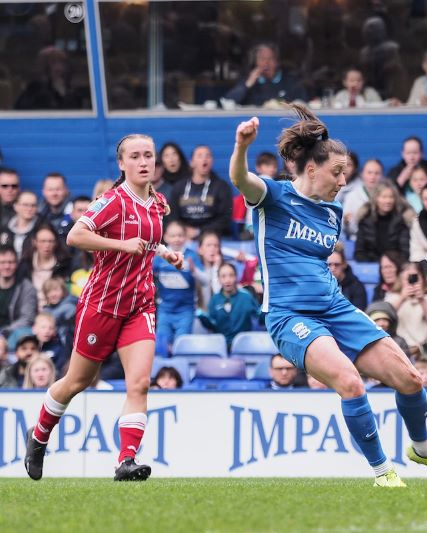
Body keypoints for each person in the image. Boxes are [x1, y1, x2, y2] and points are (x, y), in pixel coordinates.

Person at [228, 106, 427, 486]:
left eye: (345, 171)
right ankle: (383, 472)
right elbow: (240, 179)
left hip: (336, 308)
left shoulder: (333, 212)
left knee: (410, 379)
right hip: (290, 317)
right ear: (311, 169)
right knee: (350, 381)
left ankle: (423, 450)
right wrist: (241, 146)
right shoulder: (274, 197)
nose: (344, 180)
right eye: (337, 171)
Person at [24, 133, 184, 483]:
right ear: (122, 163)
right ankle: (38, 436)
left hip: (140, 304)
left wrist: (165, 252)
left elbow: (147, 240)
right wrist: (122, 245)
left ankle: (126, 461)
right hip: (102, 305)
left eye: (149, 156)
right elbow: (75, 236)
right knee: (77, 381)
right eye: (136, 156)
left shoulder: (158, 202)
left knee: (140, 384)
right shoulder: (111, 200)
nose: (144, 162)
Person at [152, 221, 200, 355]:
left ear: (185, 237)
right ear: (165, 237)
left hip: (186, 311)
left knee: (181, 347)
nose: (177, 239)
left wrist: (194, 270)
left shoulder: (192, 255)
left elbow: (205, 281)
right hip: (165, 310)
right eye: (173, 236)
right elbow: (148, 274)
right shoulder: (159, 257)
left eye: (180, 235)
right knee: (162, 346)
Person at [385, 262, 427, 357]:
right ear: (401, 279)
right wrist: (402, 298)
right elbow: (384, 319)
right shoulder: (392, 298)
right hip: (398, 349)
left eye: (415, 277)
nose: (412, 281)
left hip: (426, 350)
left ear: (422, 279)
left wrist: (422, 300)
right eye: (408, 278)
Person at [167, 145, 233, 239]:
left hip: (213, 237)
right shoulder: (179, 187)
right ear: (192, 162)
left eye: (208, 156)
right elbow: (172, 215)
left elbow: (225, 218)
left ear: (212, 161)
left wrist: (200, 231)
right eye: (200, 156)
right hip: (183, 237)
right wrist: (183, 230)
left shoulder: (222, 187)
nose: (204, 159)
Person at [224, 43, 308, 105]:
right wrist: (247, 84)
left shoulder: (290, 81)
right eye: (262, 59)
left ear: (277, 62)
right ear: (256, 62)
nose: (266, 63)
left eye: (270, 59)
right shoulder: (249, 81)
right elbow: (228, 101)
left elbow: (303, 103)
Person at [204, 262, 260, 347]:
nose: (227, 280)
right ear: (218, 279)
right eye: (223, 276)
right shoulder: (215, 299)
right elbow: (212, 325)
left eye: (231, 275)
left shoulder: (246, 297)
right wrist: (203, 318)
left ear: (236, 277)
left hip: (244, 345)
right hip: (220, 346)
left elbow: (260, 318)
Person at [355, 182, 414, 262]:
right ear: (376, 198)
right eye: (384, 197)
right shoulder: (365, 220)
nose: (388, 201)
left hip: (395, 265)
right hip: (371, 265)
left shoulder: (401, 220)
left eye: (391, 197)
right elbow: (359, 252)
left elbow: (405, 251)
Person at [17, 223, 72, 308]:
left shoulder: (64, 264)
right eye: (43, 241)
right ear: (34, 242)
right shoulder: (25, 264)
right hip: (28, 308)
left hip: (56, 310)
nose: (47, 245)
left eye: (50, 241)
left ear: (56, 242)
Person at [0, 244, 37, 338]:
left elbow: (27, 318)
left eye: (11, 262)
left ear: (17, 264)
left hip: (14, 335)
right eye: (2, 262)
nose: (7, 266)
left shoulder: (27, 287)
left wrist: (4, 333)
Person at [342, 158, 385, 239]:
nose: (373, 176)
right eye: (369, 173)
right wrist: (346, 222)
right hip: (357, 241)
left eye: (377, 173)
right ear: (362, 174)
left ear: (382, 176)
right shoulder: (352, 196)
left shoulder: (388, 196)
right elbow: (345, 228)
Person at [0, 190, 39, 255]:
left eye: (33, 205)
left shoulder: (42, 229)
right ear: (15, 206)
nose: (29, 208)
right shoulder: (5, 228)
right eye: (25, 205)